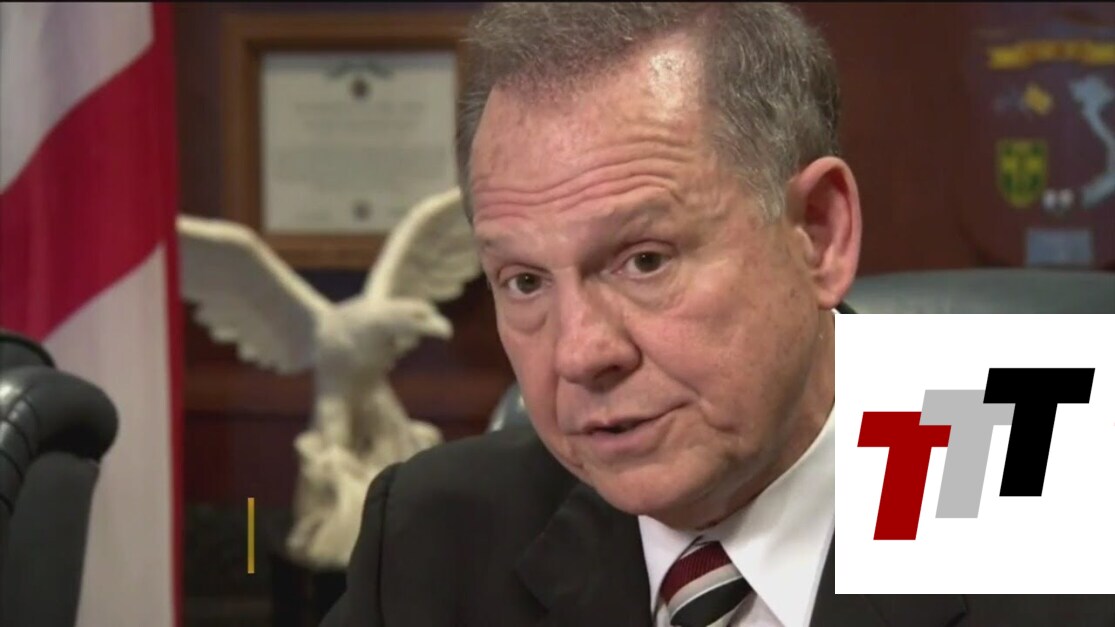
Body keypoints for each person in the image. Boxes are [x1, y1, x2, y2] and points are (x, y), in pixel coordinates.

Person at [322, 4, 1115, 626]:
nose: (578, 353)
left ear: (817, 234)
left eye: (645, 260)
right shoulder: (435, 534)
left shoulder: (1055, 492)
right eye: (525, 281)